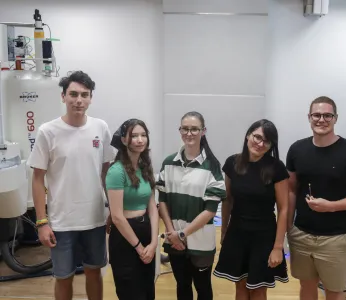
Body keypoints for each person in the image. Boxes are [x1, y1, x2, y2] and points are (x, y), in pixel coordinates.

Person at [27, 71, 115, 300]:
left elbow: (107, 173)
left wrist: (114, 212)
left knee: (94, 273)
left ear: (91, 98)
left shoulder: (100, 128)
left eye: (84, 95)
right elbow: (37, 179)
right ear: (63, 96)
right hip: (61, 222)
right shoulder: (48, 131)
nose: (79, 100)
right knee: (63, 277)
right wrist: (41, 222)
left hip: (94, 219)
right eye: (73, 94)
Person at [286, 96, 346, 300]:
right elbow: (290, 190)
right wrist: (287, 226)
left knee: (334, 292)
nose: (321, 119)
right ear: (309, 117)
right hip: (301, 234)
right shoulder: (297, 149)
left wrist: (331, 206)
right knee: (306, 287)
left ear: (335, 118)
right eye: (316, 115)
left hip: (335, 238)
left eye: (327, 115)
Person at [213, 119, 290, 300]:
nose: (260, 144)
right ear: (248, 135)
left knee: (258, 289)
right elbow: (228, 200)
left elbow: (284, 208)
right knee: (240, 286)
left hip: (264, 236)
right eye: (257, 137)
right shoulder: (232, 163)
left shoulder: (276, 168)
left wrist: (278, 247)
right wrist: (224, 230)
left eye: (266, 141)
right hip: (237, 233)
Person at [156, 111, 226, 300]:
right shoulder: (169, 163)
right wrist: (172, 233)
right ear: (180, 130)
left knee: (203, 288)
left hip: (200, 241)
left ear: (203, 131)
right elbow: (162, 200)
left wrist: (182, 234)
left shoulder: (212, 165)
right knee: (182, 285)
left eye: (194, 129)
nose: (189, 133)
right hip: (174, 241)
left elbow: (210, 210)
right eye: (185, 129)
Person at [106, 118, 158, 300]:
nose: (140, 140)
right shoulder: (116, 171)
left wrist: (153, 244)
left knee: (147, 292)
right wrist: (139, 247)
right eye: (134, 136)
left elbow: (152, 207)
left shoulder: (145, 167)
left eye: (143, 135)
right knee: (131, 293)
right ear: (124, 140)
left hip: (145, 231)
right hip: (125, 238)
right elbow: (117, 217)